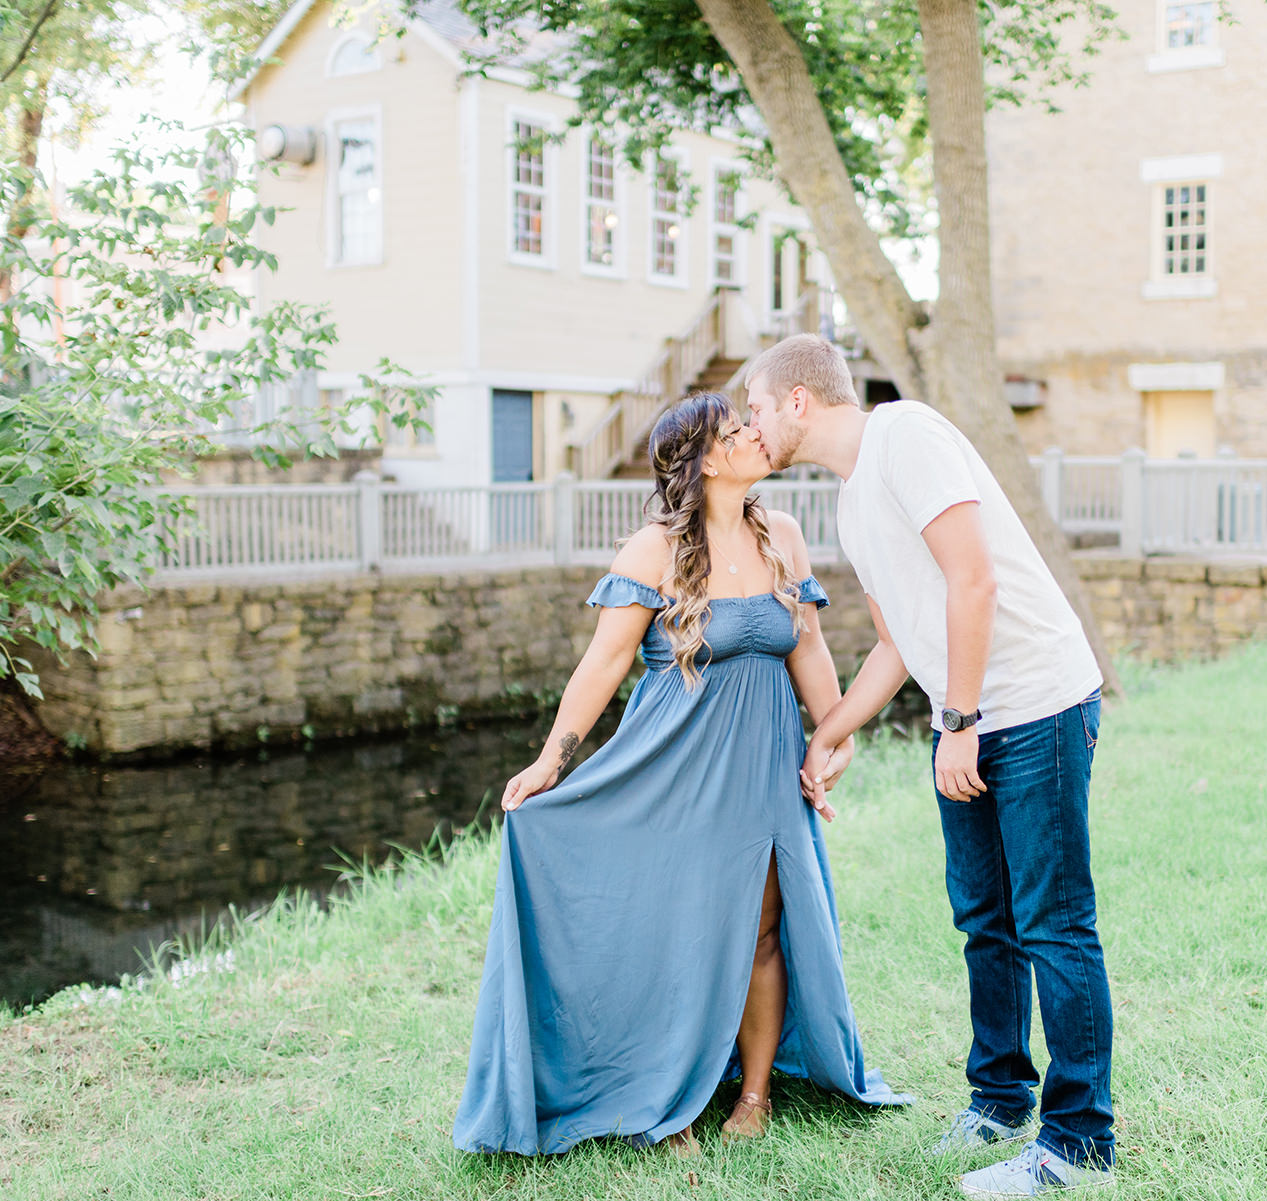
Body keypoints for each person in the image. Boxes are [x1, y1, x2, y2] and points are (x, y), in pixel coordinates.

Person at [452, 391, 908, 1158]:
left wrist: (832, 734)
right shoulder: (651, 551)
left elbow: (810, 648)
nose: (757, 437)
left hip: (761, 770)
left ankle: (753, 1095)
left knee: (763, 931)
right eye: (737, 433)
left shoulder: (783, 536)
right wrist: (550, 760)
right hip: (672, 770)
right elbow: (602, 667)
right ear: (701, 460)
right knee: (676, 934)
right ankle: (667, 1097)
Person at [749, 336, 1116, 1197]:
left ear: (799, 400)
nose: (752, 426)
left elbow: (974, 580)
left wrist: (958, 721)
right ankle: (999, 1100)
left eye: (758, 408)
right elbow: (895, 639)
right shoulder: (848, 503)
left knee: (1053, 922)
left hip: (1035, 706)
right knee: (983, 915)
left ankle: (1077, 1144)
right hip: (974, 715)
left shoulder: (906, 436)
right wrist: (831, 729)